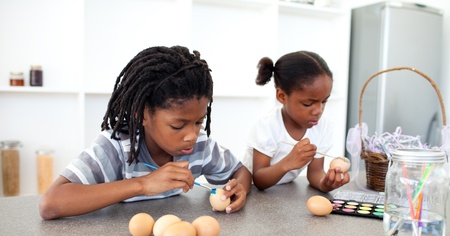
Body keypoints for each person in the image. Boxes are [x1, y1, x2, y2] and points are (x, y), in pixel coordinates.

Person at [39, 45, 251, 220]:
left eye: (199, 122)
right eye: (178, 126)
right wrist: (144, 184)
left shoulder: (201, 147)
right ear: (142, 114)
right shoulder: (116, 148)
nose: (192, 135)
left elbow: (240, 171)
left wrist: (237, 188)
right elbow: (51, 203)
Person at [242, 50, 350, 192]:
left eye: (324, 101)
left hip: (284, 193)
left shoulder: (322, 127)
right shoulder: (268, 126)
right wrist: (288, 162)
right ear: (282, 96)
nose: (318, 111)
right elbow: (259, 179)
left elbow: (315, 173)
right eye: (308, 104)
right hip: (250, 192)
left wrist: (325, 183)